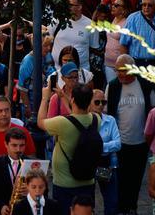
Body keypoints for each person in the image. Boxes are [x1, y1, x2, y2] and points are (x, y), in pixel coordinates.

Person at [106, 54, 155, 214]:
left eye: (124, 70)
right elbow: (107, 114)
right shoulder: (112, 87)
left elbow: (154, 110)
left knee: (136, 179)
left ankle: (132, 207)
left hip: (140, 142)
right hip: (120, 143)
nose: (121, 74)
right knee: (120, 179)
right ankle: (121, 208)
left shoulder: (145, 85)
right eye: (118, 71)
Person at [37, 83, 99, 213]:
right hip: (88, 182)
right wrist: (64, 97)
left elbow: (40, 122)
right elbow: (77, 119)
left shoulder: (62, 123)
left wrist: (44, 98)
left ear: (73, 100)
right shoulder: (95, 119)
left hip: (65, 185)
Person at [89, 89, 121, 215]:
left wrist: (98, 147)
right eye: (97, 102)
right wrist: (106, 146)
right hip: (89, 165)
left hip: (105, 163)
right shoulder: (84, 120)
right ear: (89, 102)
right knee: (88, 200)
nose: (101, 105)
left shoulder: (110, 120)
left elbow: (118, 144)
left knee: (111, 200)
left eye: (104, 102)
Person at [50, 0, 96, 72]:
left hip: (81, 71)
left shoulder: (91, 24)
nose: (67, 7)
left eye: (70, 5)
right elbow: (48, 39)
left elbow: (93, 47)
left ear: (79, 7)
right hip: (57, 70)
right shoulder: (58, 19)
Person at [104, 0, 130, 83]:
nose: (112, 6)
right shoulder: (114, 19)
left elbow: (127, 45)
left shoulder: (126, 23)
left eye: (116, 5)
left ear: (123, 10)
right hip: (108, 63)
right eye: (112, 4)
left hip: (118, 66)